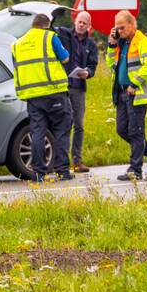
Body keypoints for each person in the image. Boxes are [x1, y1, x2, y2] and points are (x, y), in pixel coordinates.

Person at [11, 13, 73, 181]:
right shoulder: (50, 37)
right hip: (54, 93)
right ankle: (62, 171)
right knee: (61, 131)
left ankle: (39, 173)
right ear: (46, 25)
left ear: (33, 25)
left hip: (32, 96)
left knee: (37, 133)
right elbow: (66, 58)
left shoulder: (17, 44)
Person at [106, 10, 147, 180]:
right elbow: (111, 65)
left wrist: (134, 83)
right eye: (117, 28)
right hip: (122, 92)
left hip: (136, 93)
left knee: (135, 132)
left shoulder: (142, 42)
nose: (119, 31)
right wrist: (111, 44)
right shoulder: (122, 43)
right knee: (122, 129)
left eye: (122, 28)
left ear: (131, 24)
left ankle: (135, 170)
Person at [56, 11, 99, 172]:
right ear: (75, 22)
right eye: (79, 22)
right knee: (63, 123)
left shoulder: (91, 45)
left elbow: (93, 66)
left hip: (79, 88)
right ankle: (60, 161)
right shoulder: (65, 35)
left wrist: (88, 72)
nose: (81, 25)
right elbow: (52, 28)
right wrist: (55, 11)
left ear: (89, 26)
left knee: (79, 124)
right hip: (62, 87)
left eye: (84, 23)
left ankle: (77, 160)